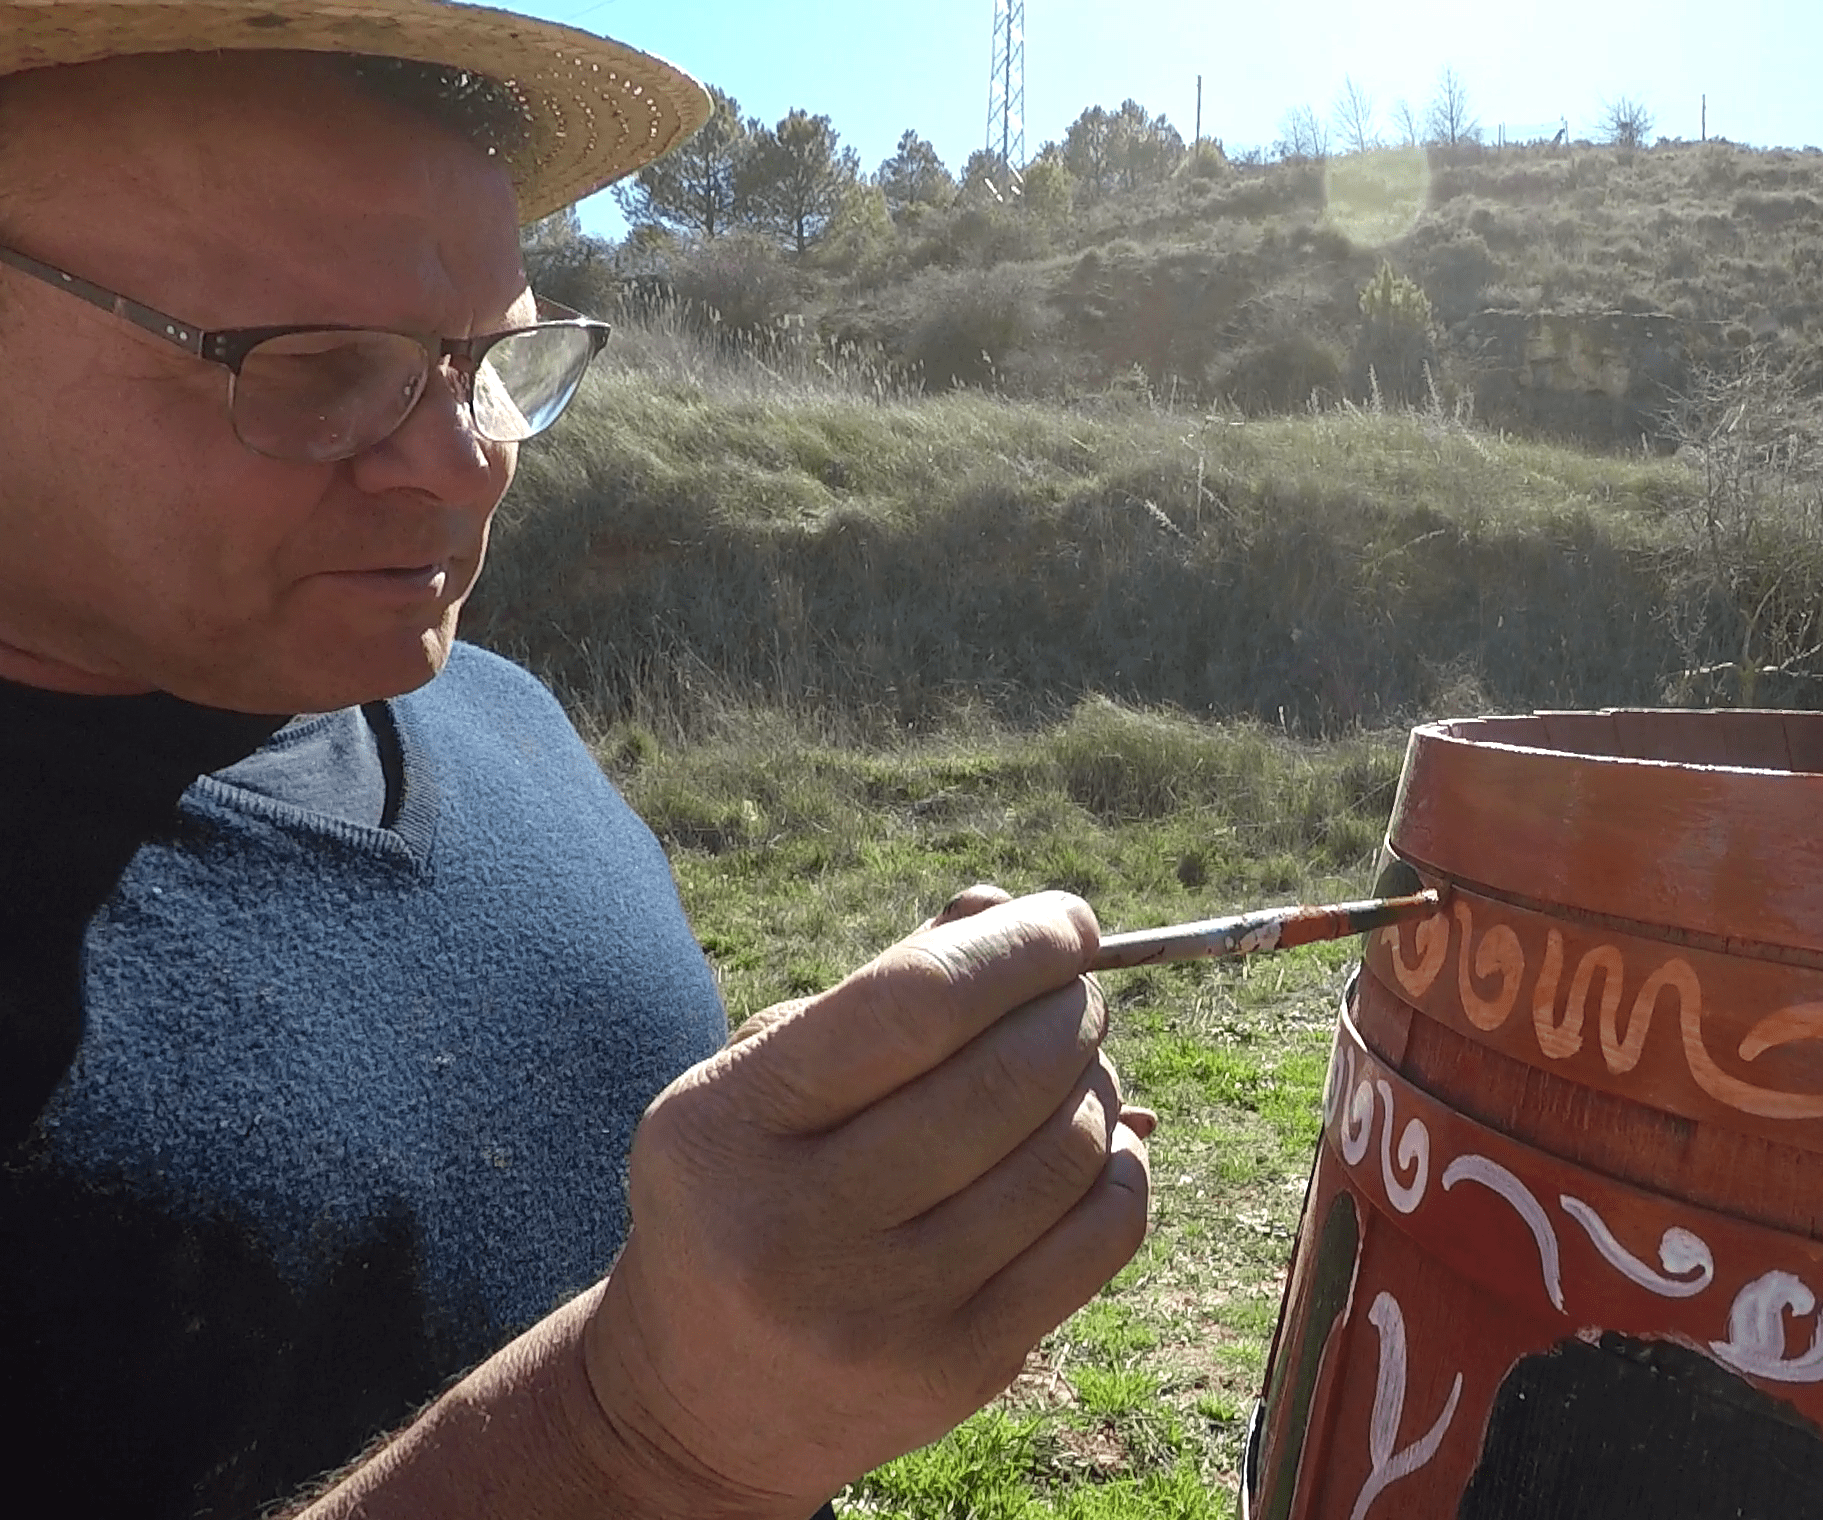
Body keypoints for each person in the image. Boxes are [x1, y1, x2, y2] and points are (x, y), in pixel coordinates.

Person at [0, 6, 1153, 1518]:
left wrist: (798, 1179)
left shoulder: (503, 717)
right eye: (312, 367)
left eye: (487, 358)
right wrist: (639, 1442)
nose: (467, 455)